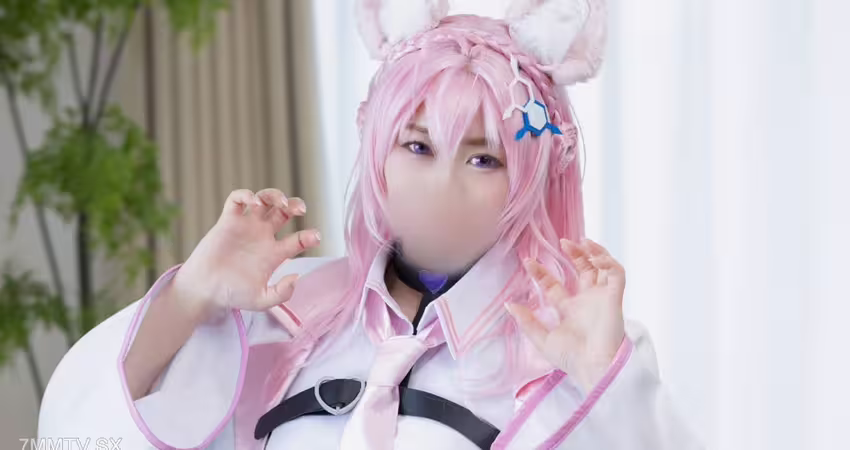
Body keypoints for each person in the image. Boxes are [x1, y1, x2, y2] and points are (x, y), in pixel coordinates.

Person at [38, 1, 703, 448]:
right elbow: (80, 436)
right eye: (417, 146)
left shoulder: (578, 345)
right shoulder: (286, 310)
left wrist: (605, 382)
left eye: (483, 158)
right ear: (377, 148)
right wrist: (191, 297)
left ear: (532, 175)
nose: (441, 187)